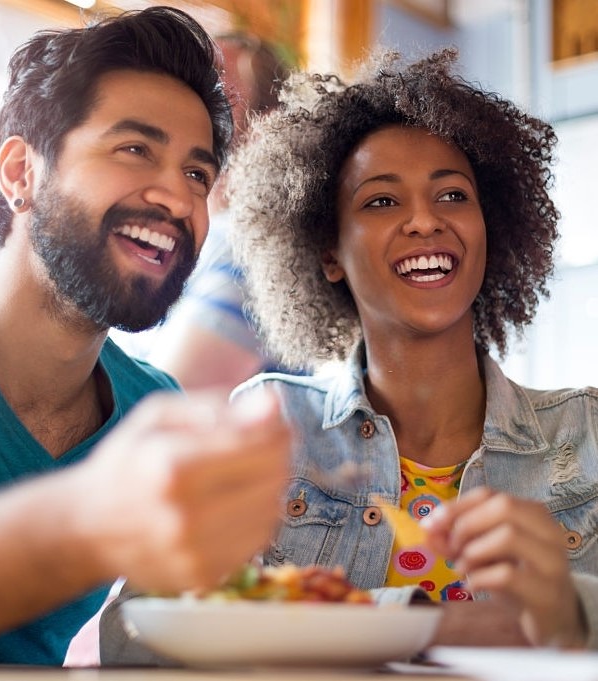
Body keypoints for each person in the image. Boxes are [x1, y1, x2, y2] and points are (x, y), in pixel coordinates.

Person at [0, 6, 291, 665]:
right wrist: (84, 521)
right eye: (135, 149)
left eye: (198, 174)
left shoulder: (152, 406)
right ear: (19, 173)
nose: (177, 198)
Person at [224, 47, 598, 649]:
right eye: (381, 200)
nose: (425, 221)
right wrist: (432, 623)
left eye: (453, 196)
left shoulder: (589, 433)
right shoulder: (266, 427)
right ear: (328, 253)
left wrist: (574, 612)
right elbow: (133, 639)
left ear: (489, 226)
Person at [112, 32, 296, 398]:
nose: (188, 98)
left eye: (216, 87)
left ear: (267, 128)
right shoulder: (190, 234)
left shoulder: (249, 249)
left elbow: (156, 406)